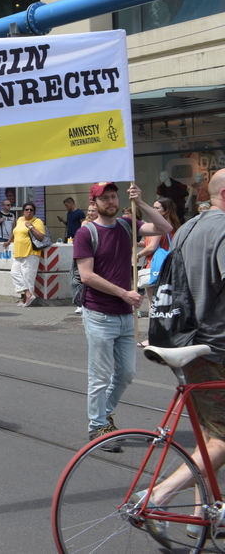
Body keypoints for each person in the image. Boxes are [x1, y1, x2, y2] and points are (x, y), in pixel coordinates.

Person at [140, 170, 225, 542]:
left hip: (185, 340)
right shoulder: (223, 229)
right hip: (215, 346)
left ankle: (200, 516)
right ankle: (158, 495)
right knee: (222, 437)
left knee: (209, 435)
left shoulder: (189, 227)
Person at [75, 182, 170, 449]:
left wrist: (141, 203)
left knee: (126, 373)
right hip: (99, 313)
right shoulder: (86, 233)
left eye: (113, 196)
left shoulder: (128, 224)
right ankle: (97, 427)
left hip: (126, 314)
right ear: (94, 203)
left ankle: (103, 415)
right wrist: (123, 293)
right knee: (100, 376)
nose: (111, 201)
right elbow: (86, 276)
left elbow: (164, 228)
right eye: (104, 198)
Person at [136, 197, 180, 346]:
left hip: (154, 267)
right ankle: (167, 335)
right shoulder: (173, 225)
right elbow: (151, 243)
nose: (153, 210)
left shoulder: (160, 226)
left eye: (157, 208)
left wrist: (138, 255)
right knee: (166, 304)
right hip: (168, 267)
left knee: (153, 305)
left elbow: (152, 247)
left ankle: (153, 337)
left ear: (165, 211)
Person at [2, 202, 47, 307]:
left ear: (34, 212)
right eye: (27, 209)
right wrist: (9, 241)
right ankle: (28, 293)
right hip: (18, 252)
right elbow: (15, 232)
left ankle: (26, 298)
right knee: (14, 273)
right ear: (23, 211)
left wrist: (31, 227)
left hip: (30, 252)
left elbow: (41, 236)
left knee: (28, 277)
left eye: (31, 210)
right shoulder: (19, 220)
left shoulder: (37, 221)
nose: (29, 211)